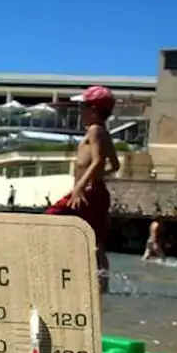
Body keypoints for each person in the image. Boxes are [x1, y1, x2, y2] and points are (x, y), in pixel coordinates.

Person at [45, 85, 120, 292]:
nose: (80, 112)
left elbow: (97, 161)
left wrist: (80, 187)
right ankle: (101, 288)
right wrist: (93, 179)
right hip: (95, 192)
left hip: (88, 193)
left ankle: (58, 270)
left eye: (82, 107)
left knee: (50, 217)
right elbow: (114, 165)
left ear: (94, 110)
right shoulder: (103, 132)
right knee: (95, 243)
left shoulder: (95, 130)